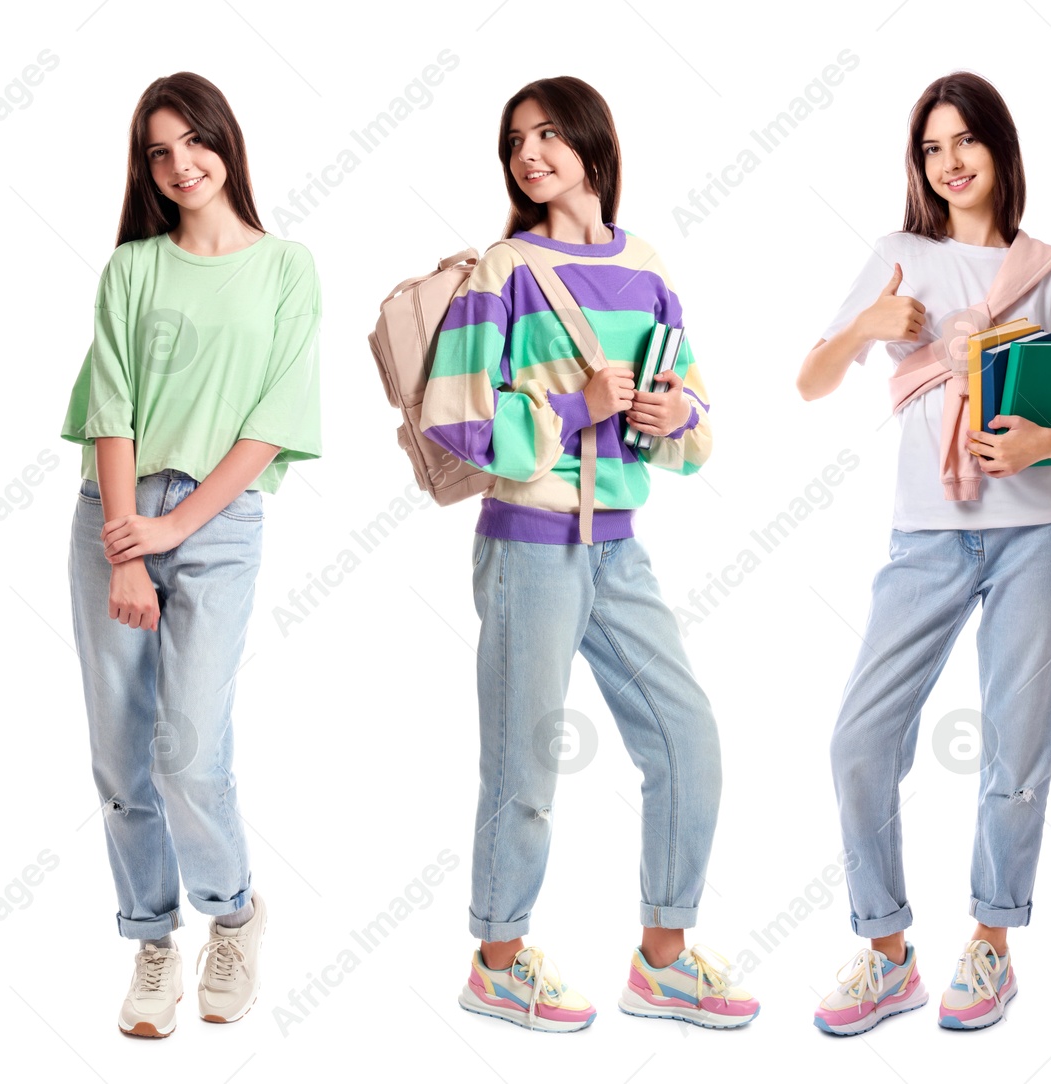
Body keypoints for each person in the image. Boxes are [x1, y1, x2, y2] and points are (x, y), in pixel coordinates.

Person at [420, 75, 757, 1032]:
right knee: (524, 770)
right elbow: (457, 419)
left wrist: (668, 413)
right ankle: (498, 958)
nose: (529, 154)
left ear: (591, 145)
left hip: (619, 547)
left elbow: (693, 425)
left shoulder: (647, 267)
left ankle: (663, 959)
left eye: (547, 135)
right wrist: (578, 409)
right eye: (515, 140)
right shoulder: (503, 270)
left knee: (687, 740)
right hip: (529, 547)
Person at [800, 71, 1051, 1034]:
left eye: (964, 141)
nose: (950, 162)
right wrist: (864, 326)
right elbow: (811, 381)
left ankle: (992, 944)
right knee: (860, 740)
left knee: (1014, 752)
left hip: (1035, 536)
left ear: (999, 148)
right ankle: (888, 952)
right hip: (928, 536)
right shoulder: (900, 257)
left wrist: (1038, 443)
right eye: (932, 149)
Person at [61, 72, 321, 1038]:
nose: (179, 166)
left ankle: (235, 913)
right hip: (114, 515)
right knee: (121, 753)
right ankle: (150, 941)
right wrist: (127, 548)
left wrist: (174, 530)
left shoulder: (287, 266)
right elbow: (111, 410)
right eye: (158, 153)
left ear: (226, 141)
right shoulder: (132, 268)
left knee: (188, 750)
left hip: (219, 522)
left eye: (192, 143)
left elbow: (273, 420)